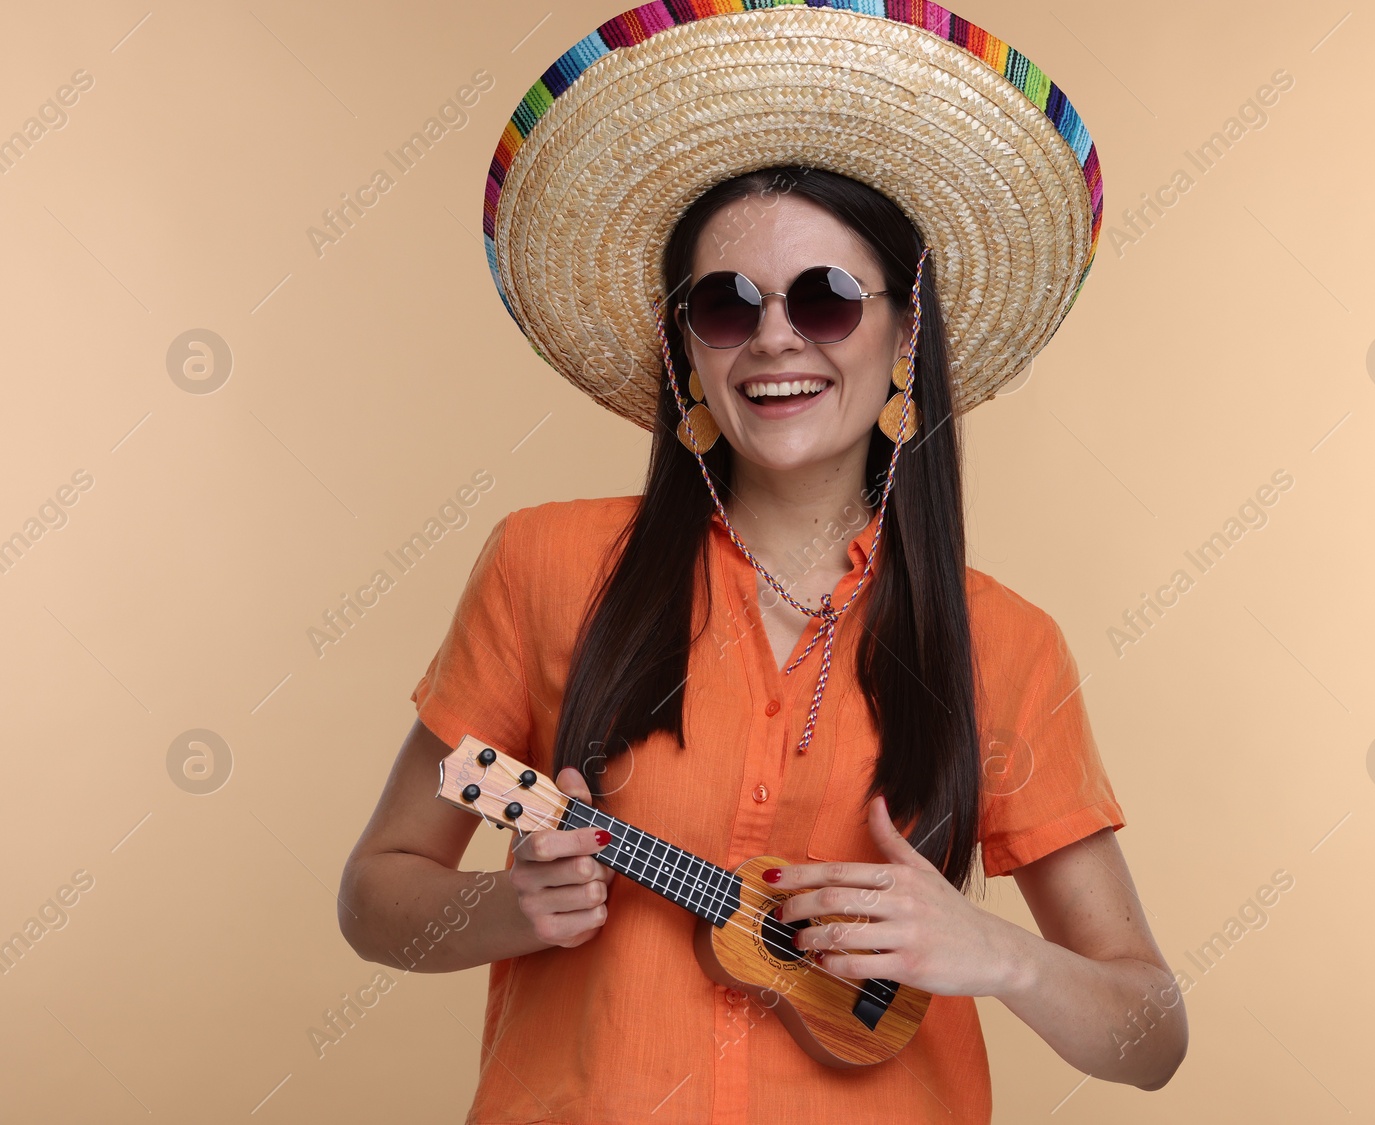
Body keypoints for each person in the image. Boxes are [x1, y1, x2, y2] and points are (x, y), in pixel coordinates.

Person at [338, 3, 1186, 1121]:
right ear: (688, 349)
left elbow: (1149, 1037)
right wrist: (508, 910)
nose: (777, 337)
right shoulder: (544, 564)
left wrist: (989, 950)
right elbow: (376, 892)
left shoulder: (1005, 646)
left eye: (826, 298)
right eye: (726, 306)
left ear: (905, 335)